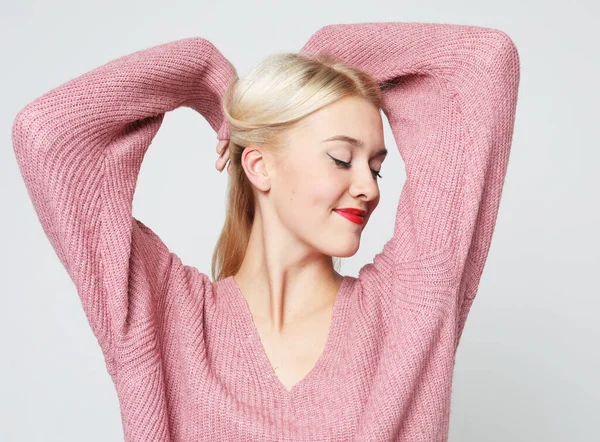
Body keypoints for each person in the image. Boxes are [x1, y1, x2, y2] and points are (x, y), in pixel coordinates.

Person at [11, 22, 520, 441]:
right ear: (258, 167)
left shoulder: (409, 309)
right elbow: (47, 137)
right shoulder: (166, 317)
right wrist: (197, 68)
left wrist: (327, 56)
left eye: (376, 167)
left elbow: (483, 63)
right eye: (342, 158)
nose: (368, 187)